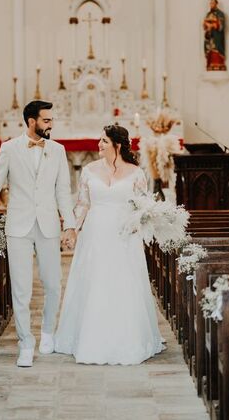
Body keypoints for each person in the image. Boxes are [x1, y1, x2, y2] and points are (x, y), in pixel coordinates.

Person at [0, 100, 76, 367]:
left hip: (49, 225)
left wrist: (70, 225)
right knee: (21, 288)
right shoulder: (9, 149)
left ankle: (48, 332)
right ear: (31, 121)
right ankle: (25, 343)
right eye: (46, 120)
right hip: (18, 226)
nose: (51, 124)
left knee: (53, 284)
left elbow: (63, 190)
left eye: (52, 120)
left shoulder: (58, 150)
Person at [54, 124, 165, 365]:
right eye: (100, 140)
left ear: (117, 144)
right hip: (95, 232)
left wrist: (140, 224)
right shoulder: (89, 170)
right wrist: (72, 228)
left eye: (104, 141)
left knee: (123, 281)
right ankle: (90, 336)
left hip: (124, 233)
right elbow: (83, 204)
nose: (99, 145)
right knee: (94, 279)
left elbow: (143, 205)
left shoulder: (136, 173)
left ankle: (126, 337)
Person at [203, 0, 226, 71]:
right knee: (210, 49)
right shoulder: (208, 14)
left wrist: (213, 25)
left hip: (217, 36)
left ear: (216, 4)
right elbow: (204, 24)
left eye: (212, 3)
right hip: (210, 36)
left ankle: (219, 64)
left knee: (216, 48)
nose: (211, 5)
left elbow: (221, 25)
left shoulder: (220, 13)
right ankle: (210, 64)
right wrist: (206, 25)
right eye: (210, 3)